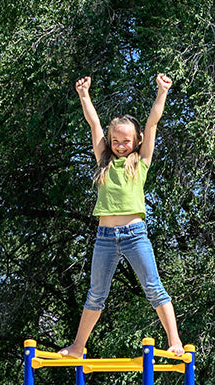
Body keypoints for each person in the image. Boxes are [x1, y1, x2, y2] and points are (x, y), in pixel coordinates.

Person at [61, 73, 184, 359]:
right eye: (115, 140)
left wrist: (162, 92)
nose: (119, 145)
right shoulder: (103, 160)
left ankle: (174, 340)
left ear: (137, 140)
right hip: (104, 238)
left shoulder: (140, 162)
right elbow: (93, 123)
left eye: (125, 141)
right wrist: (84, 95)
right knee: (95, 294)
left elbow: (153, 122)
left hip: (134, 235)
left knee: (154, 288)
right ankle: (78, 347)